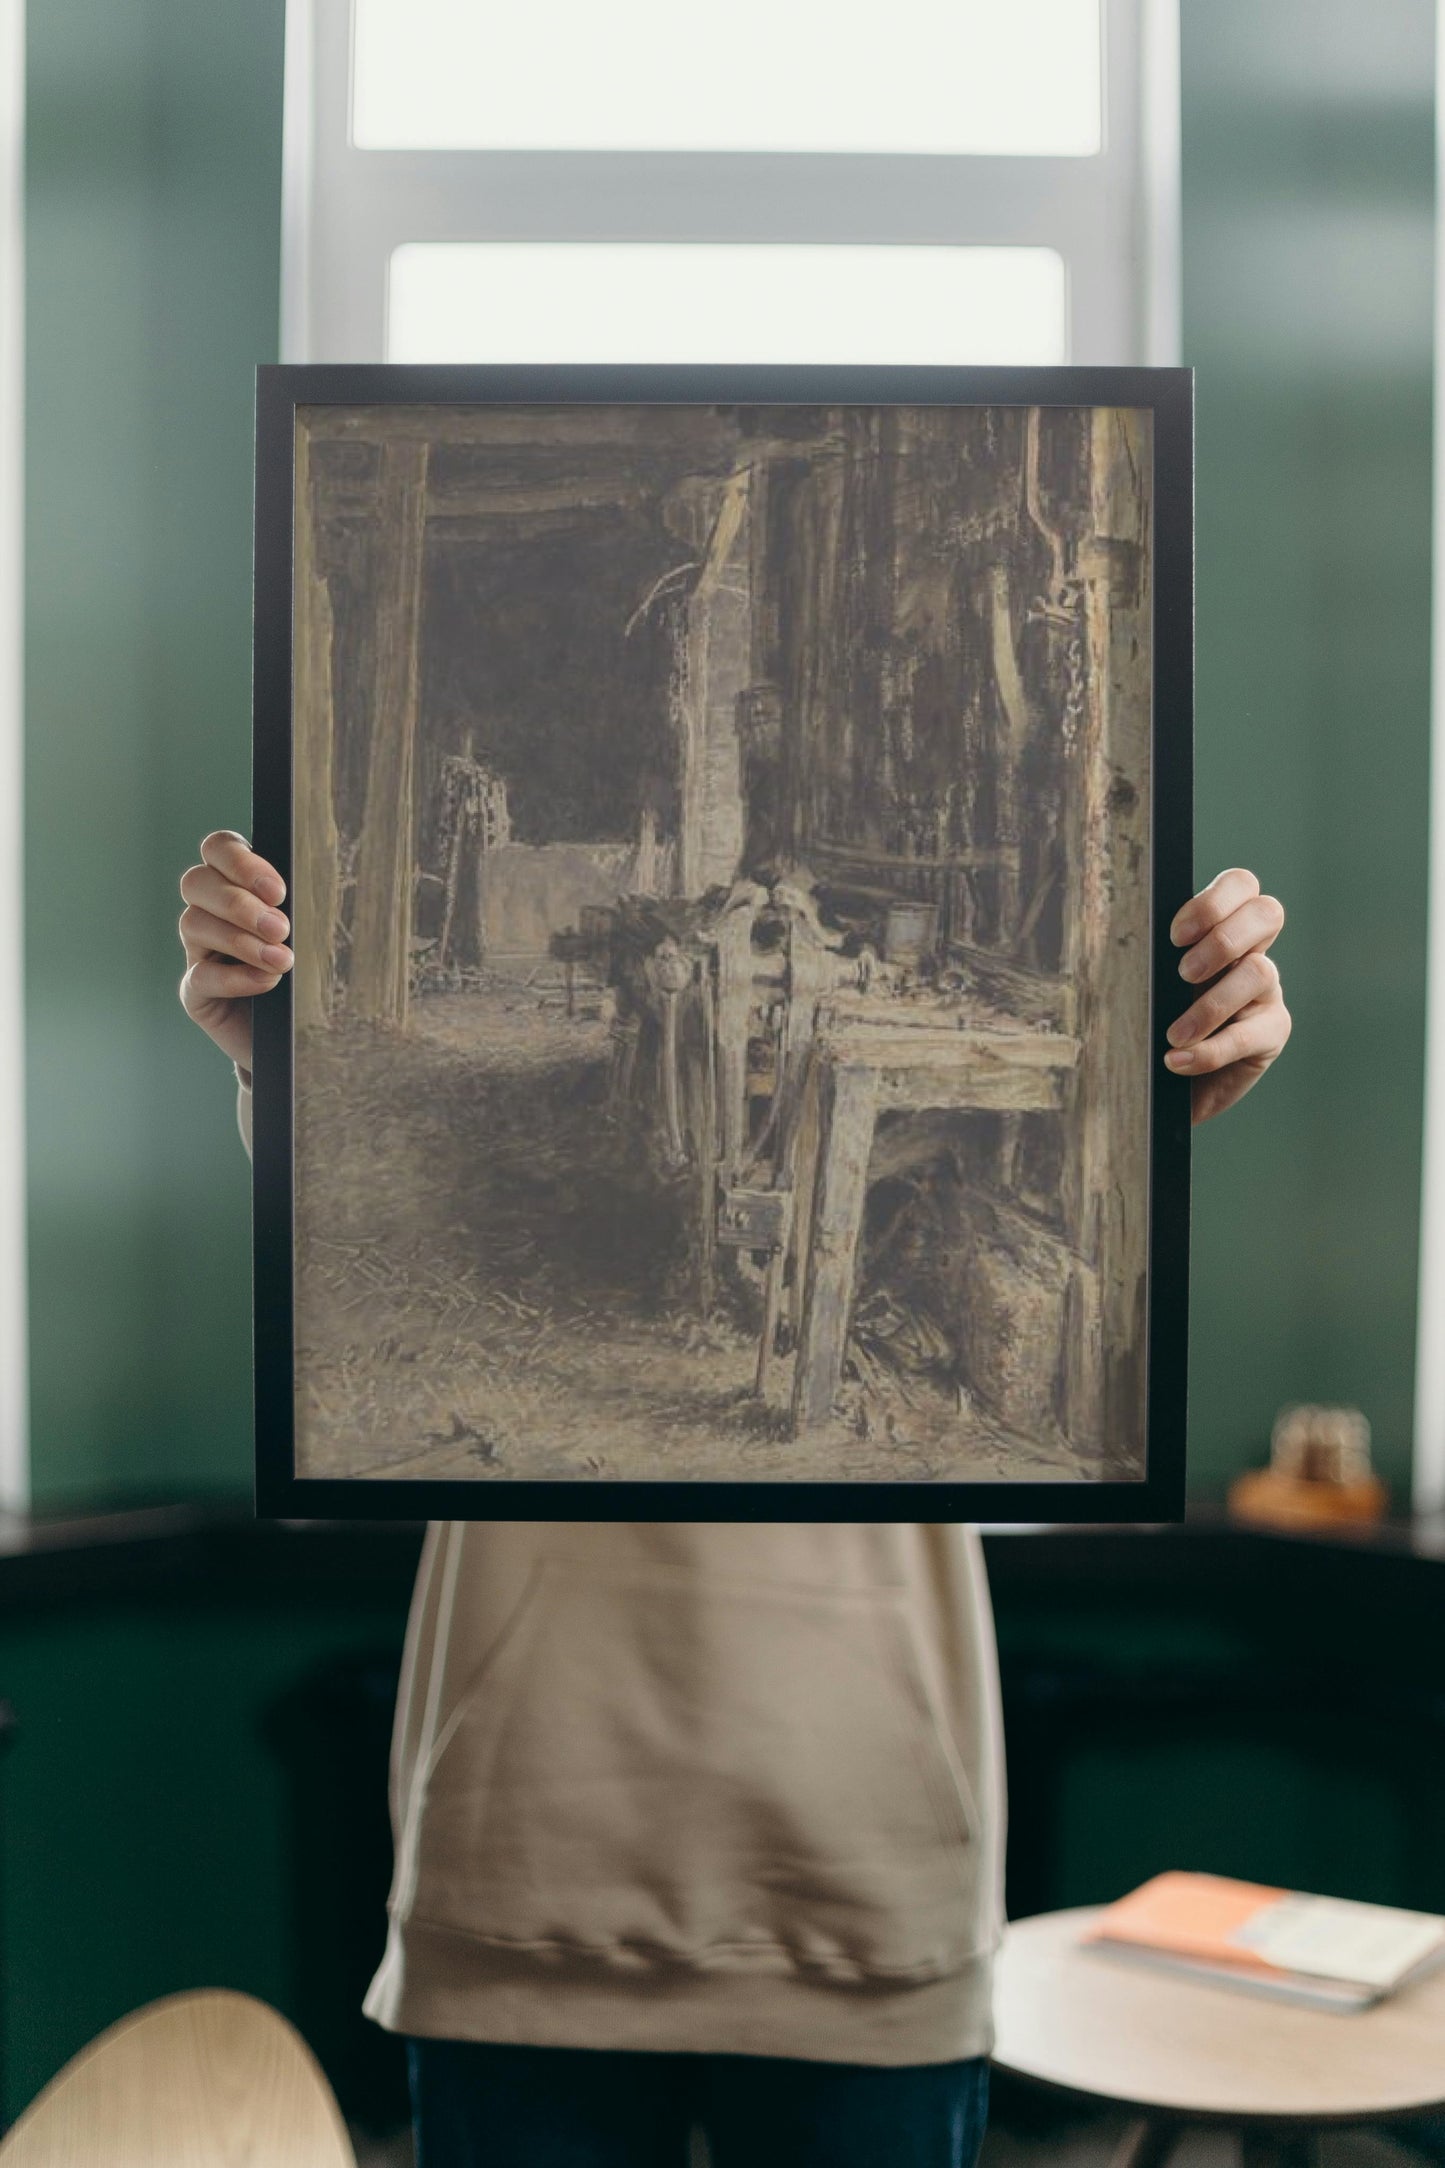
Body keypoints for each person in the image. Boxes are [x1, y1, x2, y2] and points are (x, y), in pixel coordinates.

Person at [180, 835, 1290, 2168]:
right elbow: (354, 1260)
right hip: (529, 1844)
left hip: (869, 1856)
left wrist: (1162, 1081)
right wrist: (274, 1053)